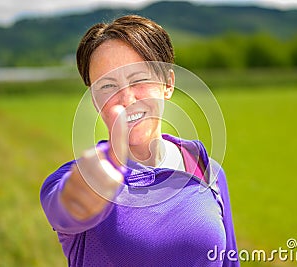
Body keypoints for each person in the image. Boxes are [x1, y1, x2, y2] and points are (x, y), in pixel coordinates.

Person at [40, 15, 239, 267]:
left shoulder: (206, 169)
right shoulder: (77, 178)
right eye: (107, 85)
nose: (126, 98)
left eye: (139, 80)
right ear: (94, 99)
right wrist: (89, 188)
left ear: (167, 84)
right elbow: (64, 209)